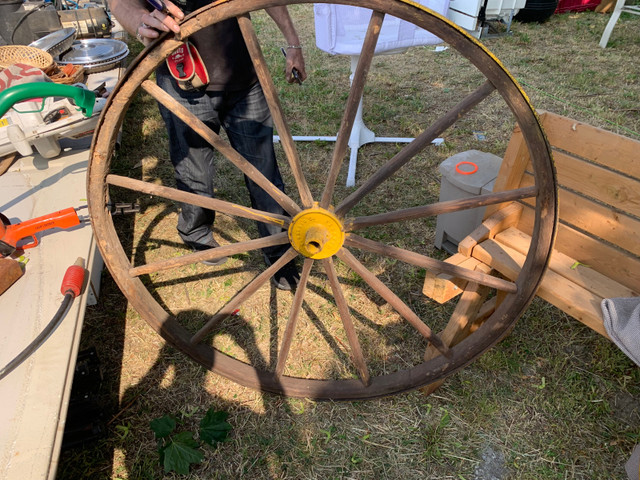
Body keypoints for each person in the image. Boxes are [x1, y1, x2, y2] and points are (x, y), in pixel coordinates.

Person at [108, 0, 307, 290]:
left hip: (242, 73)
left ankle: (278, 249)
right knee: (193, 171)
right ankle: (197, 235)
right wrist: (140, 21)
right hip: (181, 78)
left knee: (263, 170)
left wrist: (294, 44)